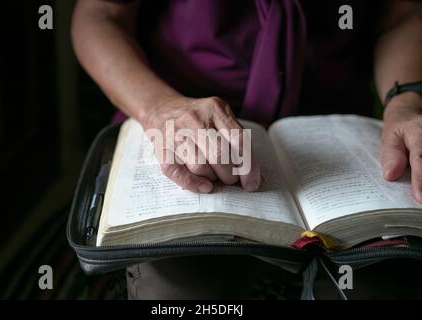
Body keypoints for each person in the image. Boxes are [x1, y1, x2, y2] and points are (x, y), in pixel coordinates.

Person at [71, 0, 422, 299]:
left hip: (336, 130)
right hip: (176, 117)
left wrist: (405, 101)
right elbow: (100, 14)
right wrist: (159, 108)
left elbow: (401, 14)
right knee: (184, 286)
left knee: (382, 280)